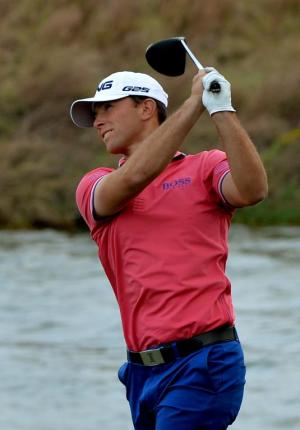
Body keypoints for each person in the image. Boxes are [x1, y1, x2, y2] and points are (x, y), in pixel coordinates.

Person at [70, 68, 268, 430]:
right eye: (94, 113)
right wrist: (194, 105)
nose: (97, 121)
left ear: (147, 108)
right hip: (140, 373)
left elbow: (252, 190)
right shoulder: (94, 185)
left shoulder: (205, 168)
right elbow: (133, 178)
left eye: (107, 108)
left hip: (203, 361)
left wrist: (220, 108)